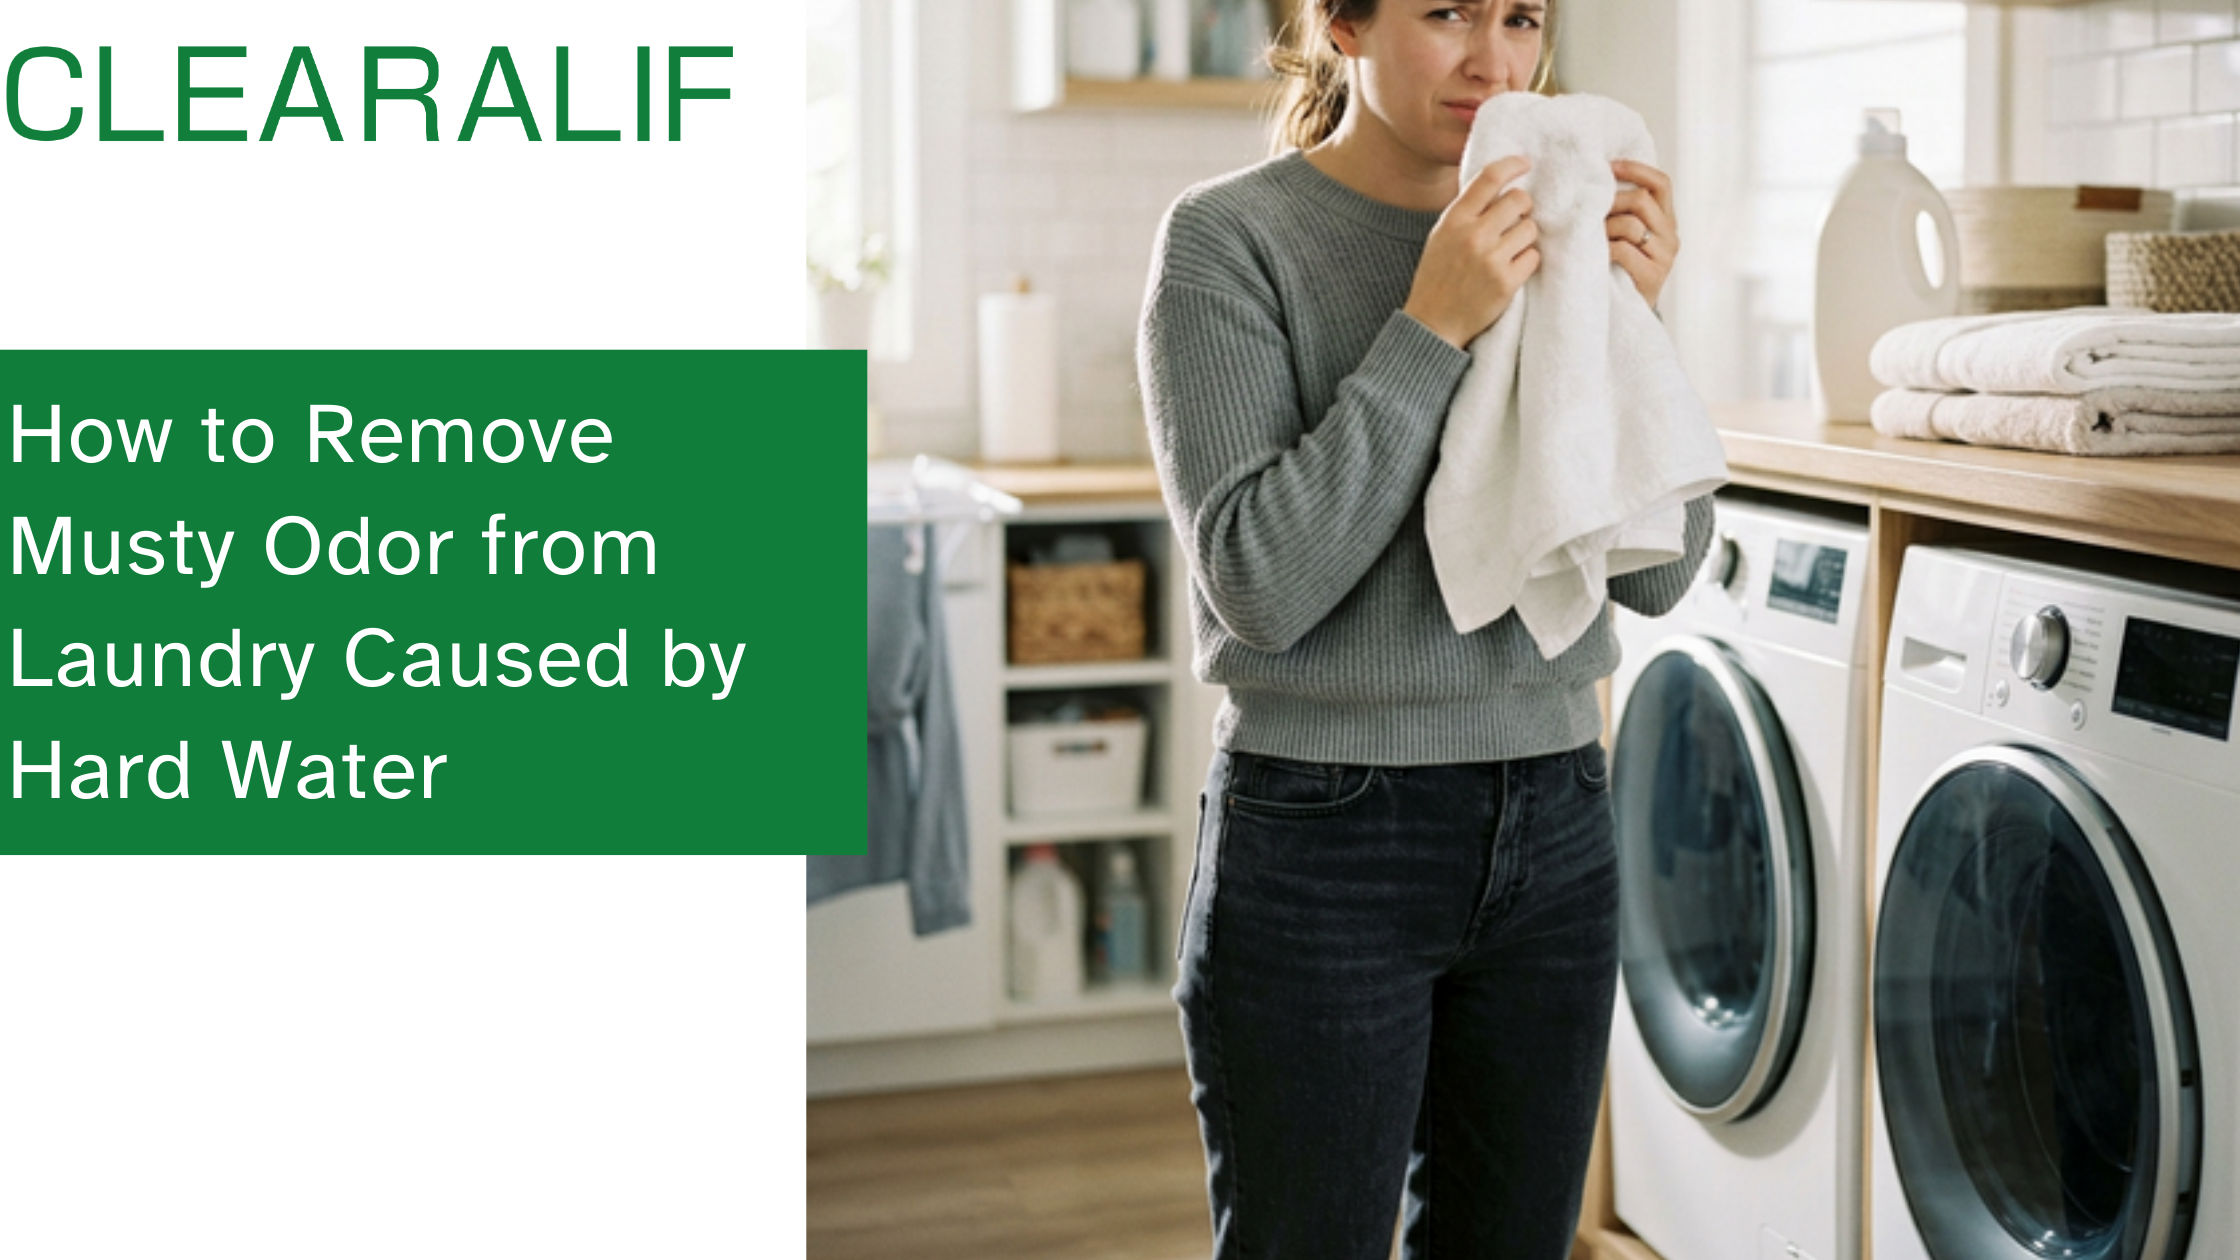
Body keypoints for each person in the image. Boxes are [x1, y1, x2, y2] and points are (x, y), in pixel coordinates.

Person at [1134, 1, 1714, 1257]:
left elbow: (1659, 584)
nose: (1493, 62)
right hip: (1325, 845)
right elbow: (1260, 583)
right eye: (1443, 11)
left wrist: (1634, 317)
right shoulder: (1229, 241)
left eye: (1519, 16)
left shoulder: (1559, 229)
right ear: (1337, 23)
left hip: (1555, 817)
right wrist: (1431, 323)